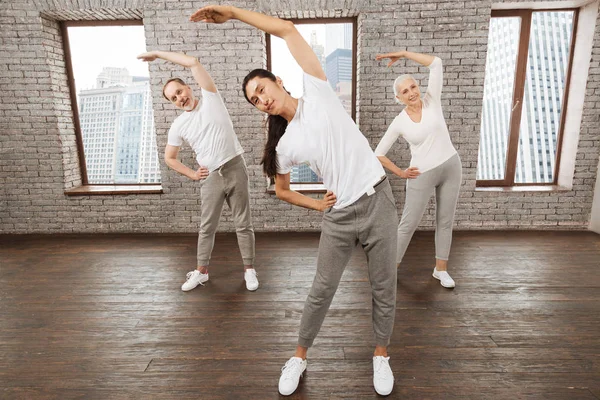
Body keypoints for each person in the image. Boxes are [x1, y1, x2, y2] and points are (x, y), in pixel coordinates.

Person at [191, 5, 399, 397]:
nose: (261, 99)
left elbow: (286, 30)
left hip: (378, 200)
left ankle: (381, 354)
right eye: (254, 100)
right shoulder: (284, 145)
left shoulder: (318, 89)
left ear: (278, 82)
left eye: (262, 89)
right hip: (340, 216)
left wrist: (233, 13)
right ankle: (299, 358)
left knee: (383, 287)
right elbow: (282, 190)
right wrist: (319, 205)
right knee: (321, 290)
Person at [137, 50, 258, 292]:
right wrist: (193, 174)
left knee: (243, 223)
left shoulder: (212, 98)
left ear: (189, 88)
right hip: (211, 177)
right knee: (207, 227)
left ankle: (249, 270)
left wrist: (158, 54)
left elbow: (193, 61)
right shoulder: (179, 125)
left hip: (235, 168)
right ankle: (201, 272)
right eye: (173, 98)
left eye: (179, 92)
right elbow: (169, 158)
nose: (179, 98)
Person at [374, 50, 462, 289]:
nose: (412, 93)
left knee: (445, 220)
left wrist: (403, 54)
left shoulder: (433, 100)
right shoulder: (399, 121)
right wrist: (401, 172)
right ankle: (390, 271)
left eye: (413, 87)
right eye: (405, 91)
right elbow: (378, 153)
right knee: (408, 224)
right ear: (398, 98)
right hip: (422, 174)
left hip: (451, 166)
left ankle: (440, 270)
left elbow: (436, 63)